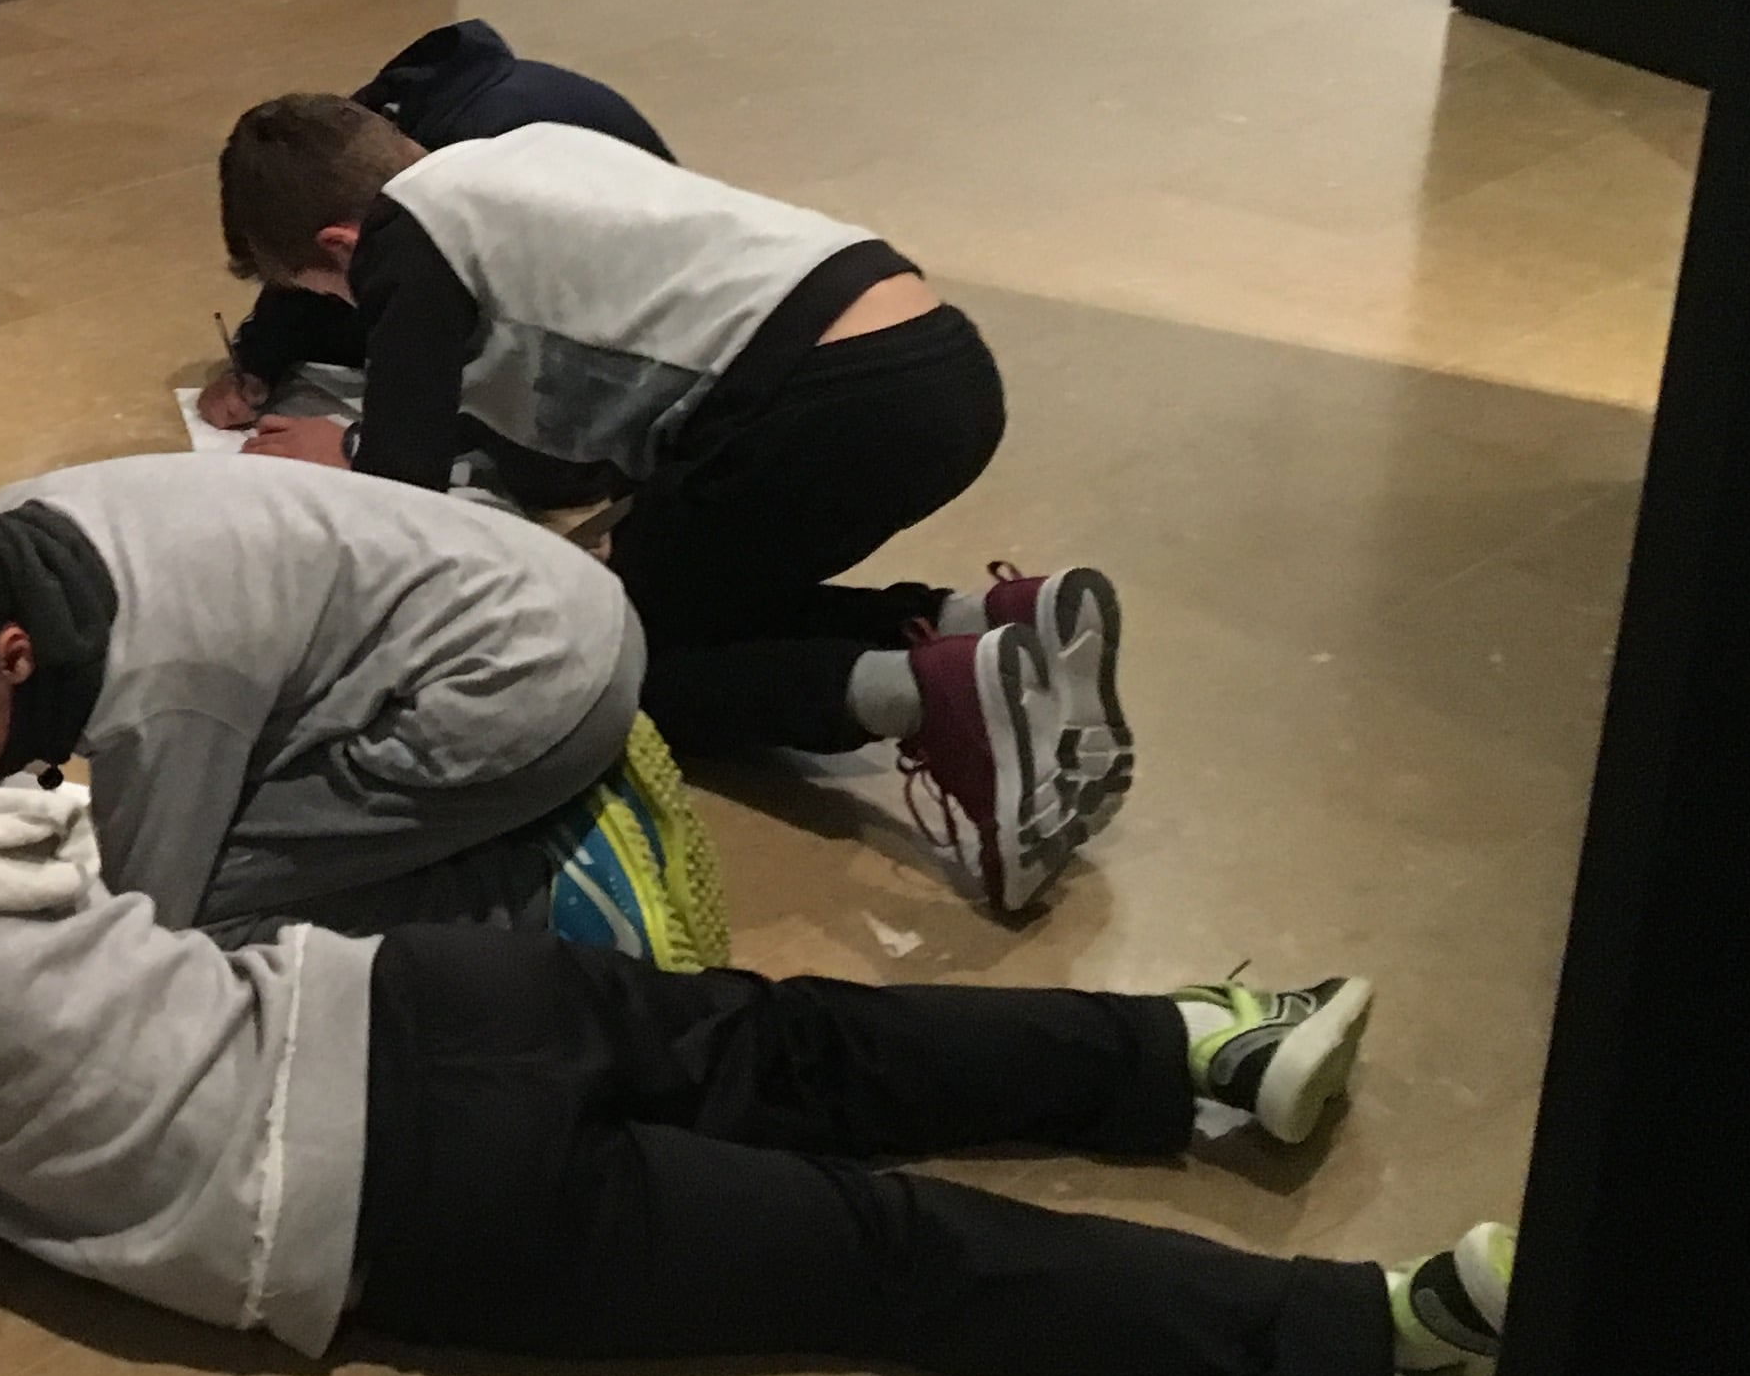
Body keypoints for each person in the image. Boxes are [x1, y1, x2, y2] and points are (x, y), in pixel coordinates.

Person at [0, 703, 1518, 1376]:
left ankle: (1359, 1338)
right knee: (811, 1042)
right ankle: (1195, 1043)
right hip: (433, 998)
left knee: (880, 1254)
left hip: (410, 1197)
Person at [215, 93, 1130, 913]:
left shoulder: (403, 237)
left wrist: (346, 466)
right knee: (682, 586)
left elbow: (403, 507)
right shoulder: (524, 156)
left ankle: (926, 697)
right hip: (933, 367)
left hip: (819, 404)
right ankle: (987, 624)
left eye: (328, 296)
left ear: (341, 247)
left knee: (605, 657)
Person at [0, 455, 681, 946]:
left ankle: (533, 899)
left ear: (12, 658)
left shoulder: (159, 697)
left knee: (208, 917)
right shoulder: (12, 531)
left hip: (541, 689)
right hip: (536, 586)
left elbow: (147, 931)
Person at [197, 19, 675, 434]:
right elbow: (319, 258)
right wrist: (259, 359)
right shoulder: (366, 143)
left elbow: (544, 417)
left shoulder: (486, 195)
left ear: (341, 241)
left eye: (320, 291)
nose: (327, 301)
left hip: (656, 354)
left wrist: (352, 448)